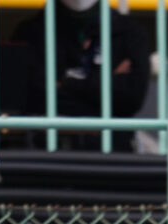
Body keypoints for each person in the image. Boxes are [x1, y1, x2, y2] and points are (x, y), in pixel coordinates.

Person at [11, 0, 154, 152]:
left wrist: (66, 83)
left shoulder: (129, 31)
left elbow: (131, 97)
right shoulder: (31, 31)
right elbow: (31, 96)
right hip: (45, 150)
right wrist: (105, 85)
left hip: (111, 153)